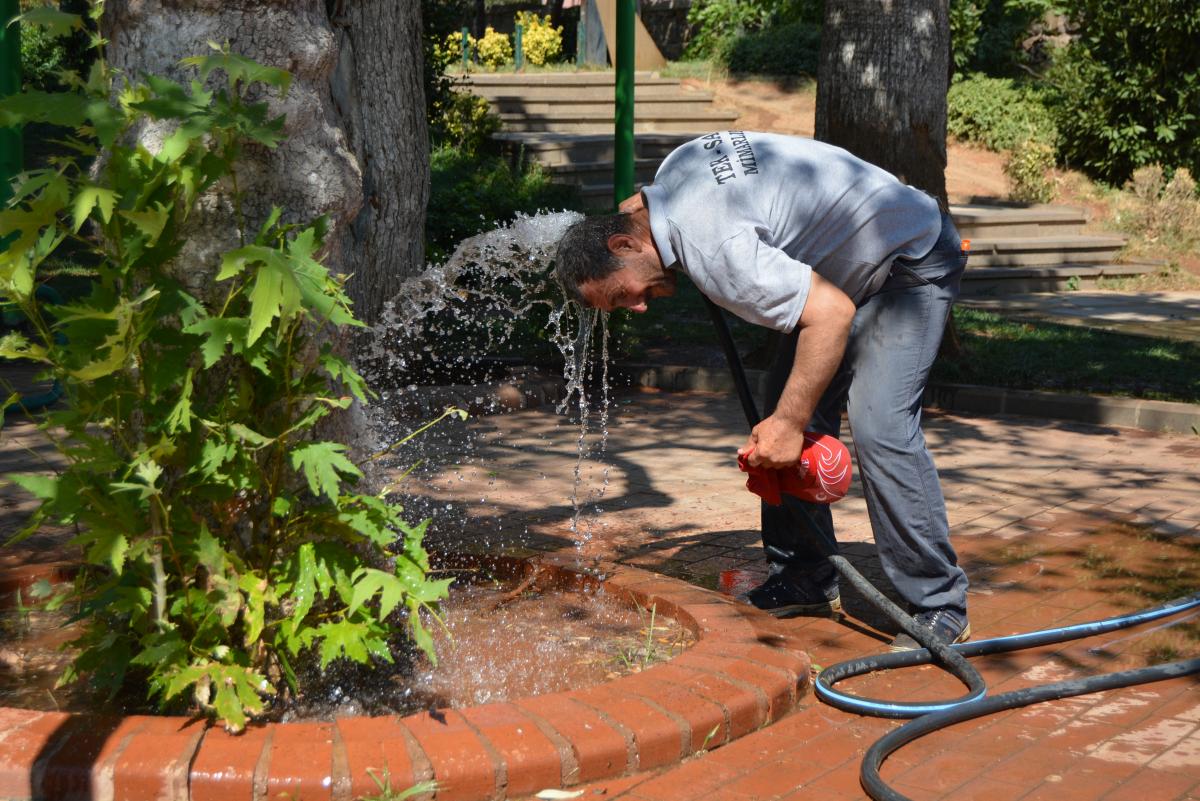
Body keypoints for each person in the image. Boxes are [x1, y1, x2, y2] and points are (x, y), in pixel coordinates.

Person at [554, 131, 970, 651]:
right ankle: (806, 577)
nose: (637, 308)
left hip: (907, 261)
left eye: (622, 296)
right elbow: (638, 201)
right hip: (852, 261)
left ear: (625, 243)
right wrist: (786, 420)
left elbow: (831, 313)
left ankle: (940, 605)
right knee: (780, 413)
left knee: (878, 424)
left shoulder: (717, 252)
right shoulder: (672, 176)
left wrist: (792, 424)